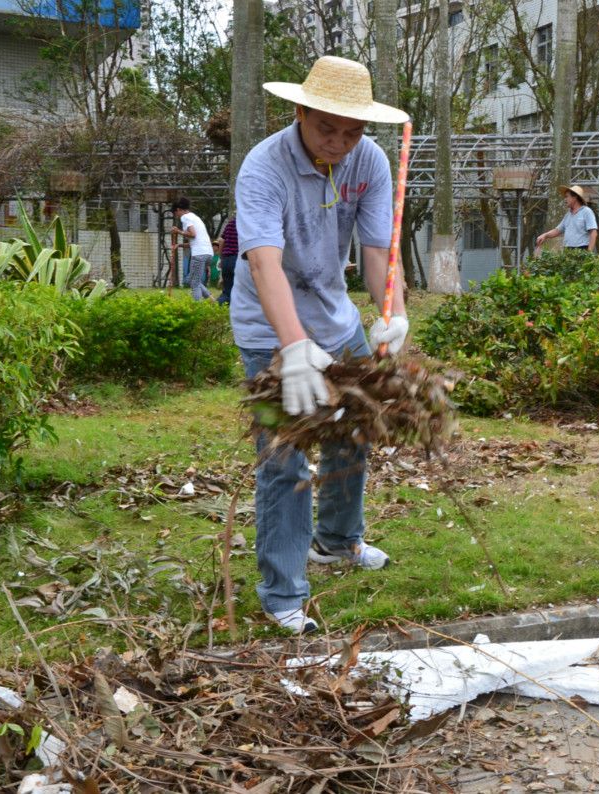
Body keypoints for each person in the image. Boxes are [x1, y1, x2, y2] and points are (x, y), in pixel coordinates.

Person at [233, 56, 410, 634]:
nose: (339, 142)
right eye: (326, 127)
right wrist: (293, 348)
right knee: (284, 457)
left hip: (338, 322)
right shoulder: (264, 168)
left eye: (352, 131)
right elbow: (263, 262)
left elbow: (380, 249)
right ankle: (283, 592)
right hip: (269, 328)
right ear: (300, 111)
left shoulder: (372, 161)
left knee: (353, 431)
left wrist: (394, 312)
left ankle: (336, 542)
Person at [171, 198, 214, 301]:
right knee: (191, 279)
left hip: (199, 254)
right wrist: (179, 245)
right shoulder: (195, 217)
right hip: (208, 253)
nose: (177, 216)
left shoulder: (185, 217)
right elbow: (195, 242)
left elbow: (193, 234)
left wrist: (178, 231)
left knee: (194, 283)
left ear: (178, 209)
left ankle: (197, 307)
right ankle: (212, 300)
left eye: (175, 213)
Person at [534, 185, 598, 253]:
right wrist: (545, 235)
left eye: (567, 196)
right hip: (567, 250)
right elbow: (558, 230)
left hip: (582, 250)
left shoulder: (586, 212)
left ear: (575, 197)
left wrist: (589, 253)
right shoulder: (568, 215)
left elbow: (593, 233)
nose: (565, 199)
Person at [216, 215, 238, 305]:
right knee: (238, 289)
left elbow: (221, 241)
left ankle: (217, 309)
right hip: (237, 259)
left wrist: (221, 258)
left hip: (226, 259)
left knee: (227, 289)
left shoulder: (230, 223)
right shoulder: (246, 223)